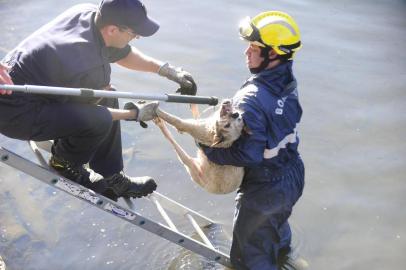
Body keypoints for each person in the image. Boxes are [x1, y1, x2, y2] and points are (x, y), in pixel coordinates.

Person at [0, 0, 197, 201]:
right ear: (112, 29)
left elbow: (121, 52)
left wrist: (166, 70)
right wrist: (134, 114)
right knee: (101, 115)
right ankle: (64, 163)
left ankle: (111, 175)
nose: (136, 37)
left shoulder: (86, 12)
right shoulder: (87, 64)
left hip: (20, 87)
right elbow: (96, 114)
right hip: (16, 113)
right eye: (133, 34)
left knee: (108, 96)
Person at [200, 11, 305, 269]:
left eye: (255, 47)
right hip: (293, 176)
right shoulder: (288, 83)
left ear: (274, 53)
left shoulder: (250, 98)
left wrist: (207, 148)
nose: (247, 52)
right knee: (276, 228)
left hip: (264, 190)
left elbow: (249, 155)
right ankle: (282, 258)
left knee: (248, 257)